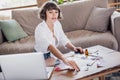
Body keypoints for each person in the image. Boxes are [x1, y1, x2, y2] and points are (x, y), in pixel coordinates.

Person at [34, 1, 84, 72]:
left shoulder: (57, 24)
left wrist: (74, 48)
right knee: (62, 65)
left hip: (52, 55)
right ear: (44, 13)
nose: (54, 15)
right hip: (41, 57)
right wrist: (64, 59)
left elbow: (63, 38)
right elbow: (50, 46)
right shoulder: (40, 29)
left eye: (56, 12)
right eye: (50, 12)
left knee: (66, 66)